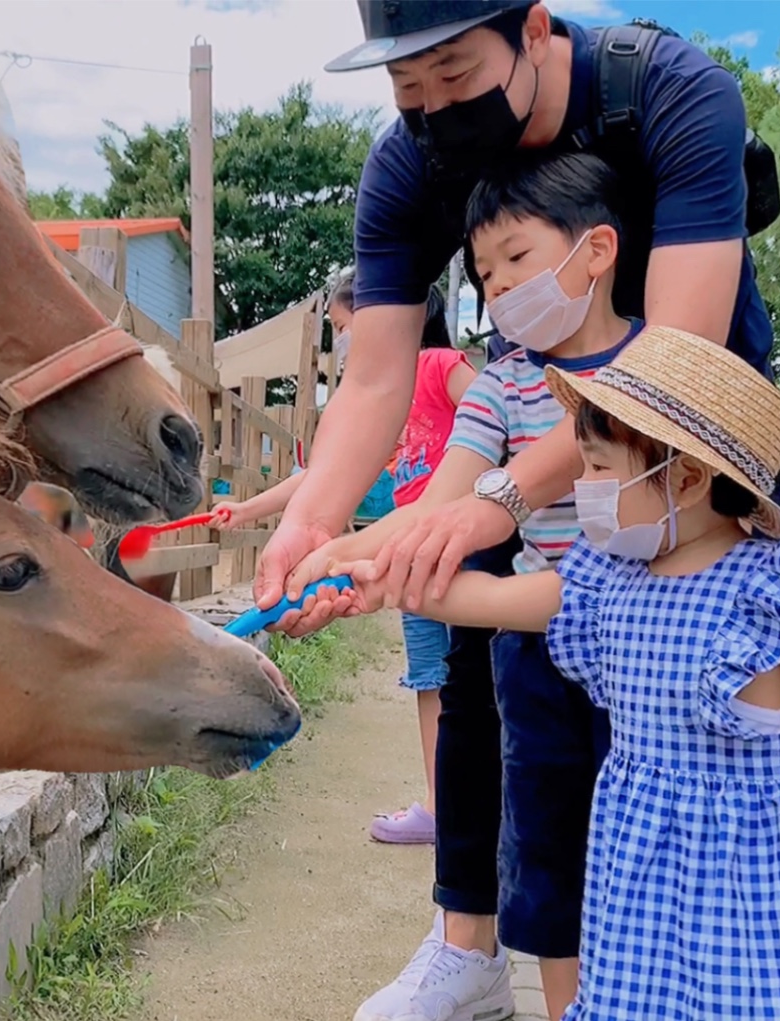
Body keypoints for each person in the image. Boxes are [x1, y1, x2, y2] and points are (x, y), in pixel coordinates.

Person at [334, 324, 780, 1020]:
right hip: (638, 867)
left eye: (598, 468)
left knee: (766, 1001)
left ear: (683, 479)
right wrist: (382, 584)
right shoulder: (606, 578)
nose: (582, 486)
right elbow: (493, 599)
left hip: (762, 869)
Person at [262, 0, 778, 629]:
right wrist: (311, 526)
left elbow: (670, 371)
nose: (435, 109)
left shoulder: (674, 91)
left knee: (726, 645)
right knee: (491, 664)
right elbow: (373, 379)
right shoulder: (404, 170)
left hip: (689, 425)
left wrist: (504, 496)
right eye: (407, 86)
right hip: (535, 416)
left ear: (534, 32)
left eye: (454, 75)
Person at [315, 151, 640, 1021]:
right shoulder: (500, 383)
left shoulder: (659, 367)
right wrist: (341, 555)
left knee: (651, 865)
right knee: (555, 868)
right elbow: (438, 503)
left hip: (652, 660)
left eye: (516, 261)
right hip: (540, 666)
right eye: (484, 276)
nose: (498, 292)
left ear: (596, 249)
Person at [217, 273, 477, 844]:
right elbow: (319, 477)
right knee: (432, 680)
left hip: (467, 546)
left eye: (340, 327)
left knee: (480, 683)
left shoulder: (436, 366)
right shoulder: (382, 400)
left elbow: (490, 412)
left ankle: (483, 809)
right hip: (410, 560)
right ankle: (441, 807)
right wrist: (248, 510)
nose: (342, 342)